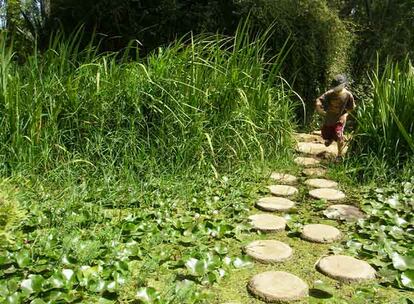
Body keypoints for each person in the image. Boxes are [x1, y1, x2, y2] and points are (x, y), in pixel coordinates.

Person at [315, 74, 355, 159]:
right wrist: (319, 107)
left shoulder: (348, 95)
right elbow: (319, 99)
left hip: (340, 119)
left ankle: (339, 155)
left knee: (339, 134)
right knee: (325, 133)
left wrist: (345, 115)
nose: (335, 89)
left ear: (343, 85)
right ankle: (330, 139)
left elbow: (351, 108)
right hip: (329, 118)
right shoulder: (330, 93)